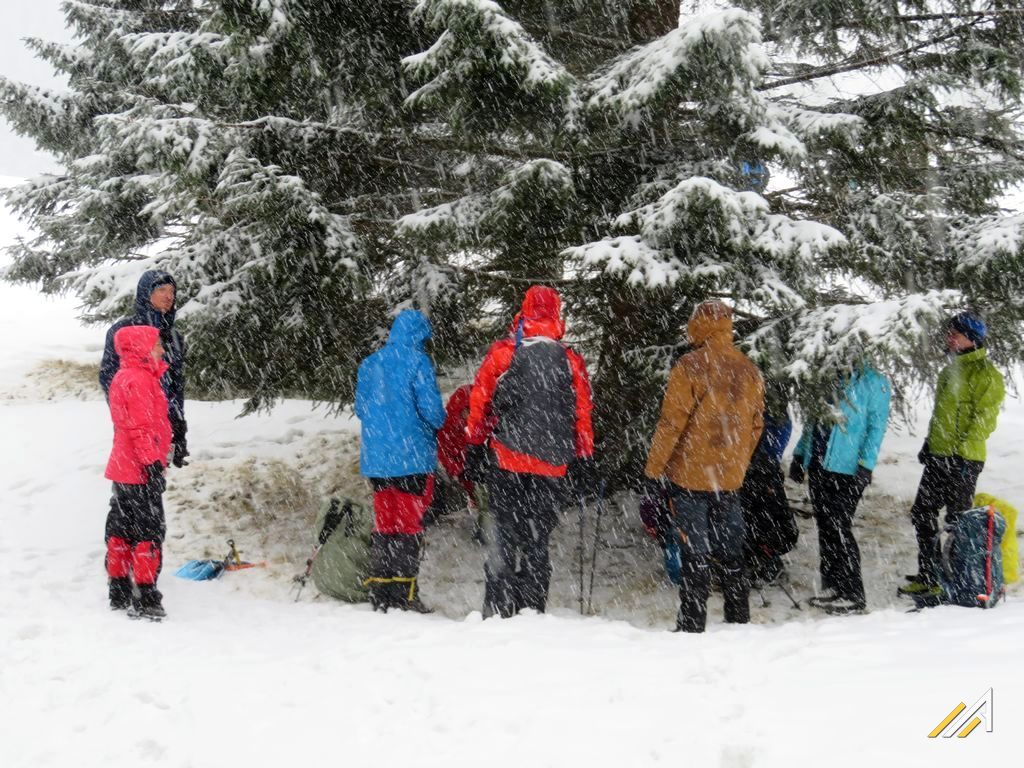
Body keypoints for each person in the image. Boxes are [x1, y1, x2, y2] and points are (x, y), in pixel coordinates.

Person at [464, 285, 595, 618]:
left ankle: (497, 607)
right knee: (537, 541)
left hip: (508, 458)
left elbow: (479, 402)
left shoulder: (504, 352)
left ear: (524, 309)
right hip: (552, 465)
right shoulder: (570, 360)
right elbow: (582, 413)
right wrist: (584, 457)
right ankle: (532, 609)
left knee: (504, 535)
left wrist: (474, 445)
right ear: (556, 313)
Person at [644, 300, 764, 633]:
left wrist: (654, 471)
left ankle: (692, 624)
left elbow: (671, 423)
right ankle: (739, 619)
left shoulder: (690, 365)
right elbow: (756, 425)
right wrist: (738, 459)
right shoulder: (748, 369)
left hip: (690, 477)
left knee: (694, 551)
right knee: (732, 550)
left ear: (700, 325)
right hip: (728, 477)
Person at [899, 311, 1005, 599]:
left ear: (972, 338)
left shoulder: (988, 375)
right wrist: (929, 444)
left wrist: (958, 456)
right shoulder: (950, 371)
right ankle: (930, 573)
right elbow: (941, 417)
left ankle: (957, 580)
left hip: (965, 460)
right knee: (923, 512)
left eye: (955, 333)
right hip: (938, 456)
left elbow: (984, 421)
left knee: (956, 520)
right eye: (949, 332)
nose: (949, 337)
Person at [355, 309, 447, 612]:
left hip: (378, 462)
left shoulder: (370, 364)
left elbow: (361, 409)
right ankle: (405, 593)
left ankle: (381, 592)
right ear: (420, 335)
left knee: (386, 523)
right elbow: (432, 412)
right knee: (408, 525)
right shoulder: (418, 362)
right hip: (412, 458)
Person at [790, 363, 891, 614]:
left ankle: (853, 593)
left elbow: (876, 428)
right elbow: (813, 422)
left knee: (839, 526)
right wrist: (800, 454)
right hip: (819, 463)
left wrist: (866, 465)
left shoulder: (874, 382)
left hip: (847, 469)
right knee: (826, 525)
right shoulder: (826, 374)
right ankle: (833, 585)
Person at [104, 326, 173, 619]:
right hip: (139, 468)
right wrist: (152, 465)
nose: (161, 350)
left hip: (123, 467)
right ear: (141, 348)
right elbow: (140, 428)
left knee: (121, 529)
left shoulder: (123, 376)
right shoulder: (140, 380)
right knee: (149, 532)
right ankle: (146, 594)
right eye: (156, 345)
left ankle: (118, 587)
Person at [100, 270, 188, 468]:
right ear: (146, 293)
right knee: (131, 481)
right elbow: (109, 377)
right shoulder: (123, 330)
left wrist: (179, 426)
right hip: (134, 427)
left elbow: (176, 384)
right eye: (162, 290)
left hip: (162, 425)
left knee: (155, 486)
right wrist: (127, 420)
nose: (169, 296)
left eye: (172, 291)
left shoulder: (174, 337)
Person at [740, 378, 797, 586]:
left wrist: (761, 460)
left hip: (763, 472)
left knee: (762, 515)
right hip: (754, 469)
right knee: (754, 513)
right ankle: (757, 558)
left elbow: (772, 447)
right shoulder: (762, 412)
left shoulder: (776, 418)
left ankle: (765, 560)